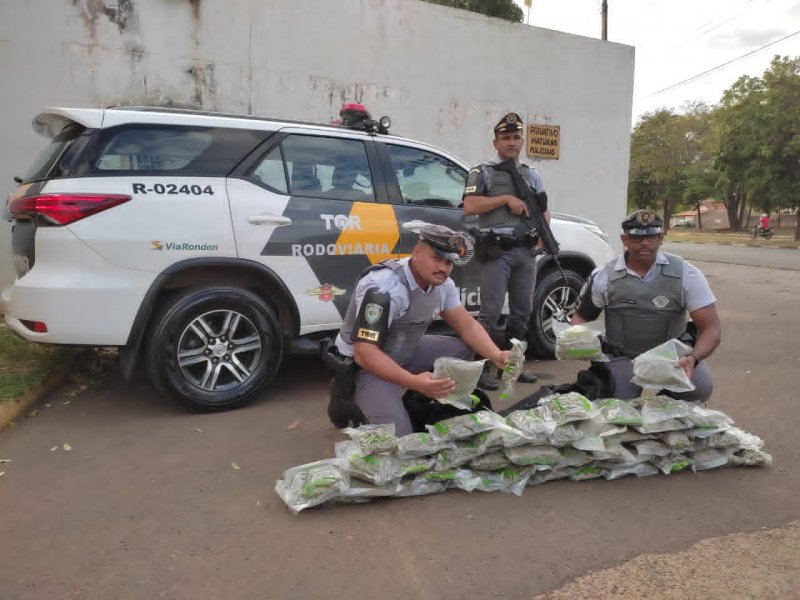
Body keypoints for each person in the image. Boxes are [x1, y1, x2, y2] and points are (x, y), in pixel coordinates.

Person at [328, 224, 511, 436]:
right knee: (401, 439)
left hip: (402, 349)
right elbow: (364, 354)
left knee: (461, 349)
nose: (443, 267)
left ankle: (425, 402)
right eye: (437, 258)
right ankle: (346, 398)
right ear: (416, 253)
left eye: (449, 262)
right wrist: (416, 383)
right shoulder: (384, 288)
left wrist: (496, 354)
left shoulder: (443, 285)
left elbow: (467, 325)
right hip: (363, 366)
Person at [571, 210, 721, 402]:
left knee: (699, 388)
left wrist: (693, 358)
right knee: (615, 400)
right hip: (622, 357)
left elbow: (711, 328)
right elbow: (581, 318)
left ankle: (667, 400)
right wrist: (581, 344)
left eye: (651, 236)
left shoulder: (686, 274)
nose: (644, 243)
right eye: (636, 238)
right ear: (624, 239)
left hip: (672, 358)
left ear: (661, 237)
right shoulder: (604, 276)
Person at [462, 112, 551, 390]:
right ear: (495, 142)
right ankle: (484, 367)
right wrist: (505, 199)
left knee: (522, 311)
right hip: (498, 251)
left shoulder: (531, 174)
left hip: (525, 253)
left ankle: (513, 365)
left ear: (522, 140)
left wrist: (543, 236)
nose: (512, 143)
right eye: (506, 138)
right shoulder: (483, 172)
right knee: (489, 312)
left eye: (516, 137)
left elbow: (543, 210)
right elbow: (470, 206)